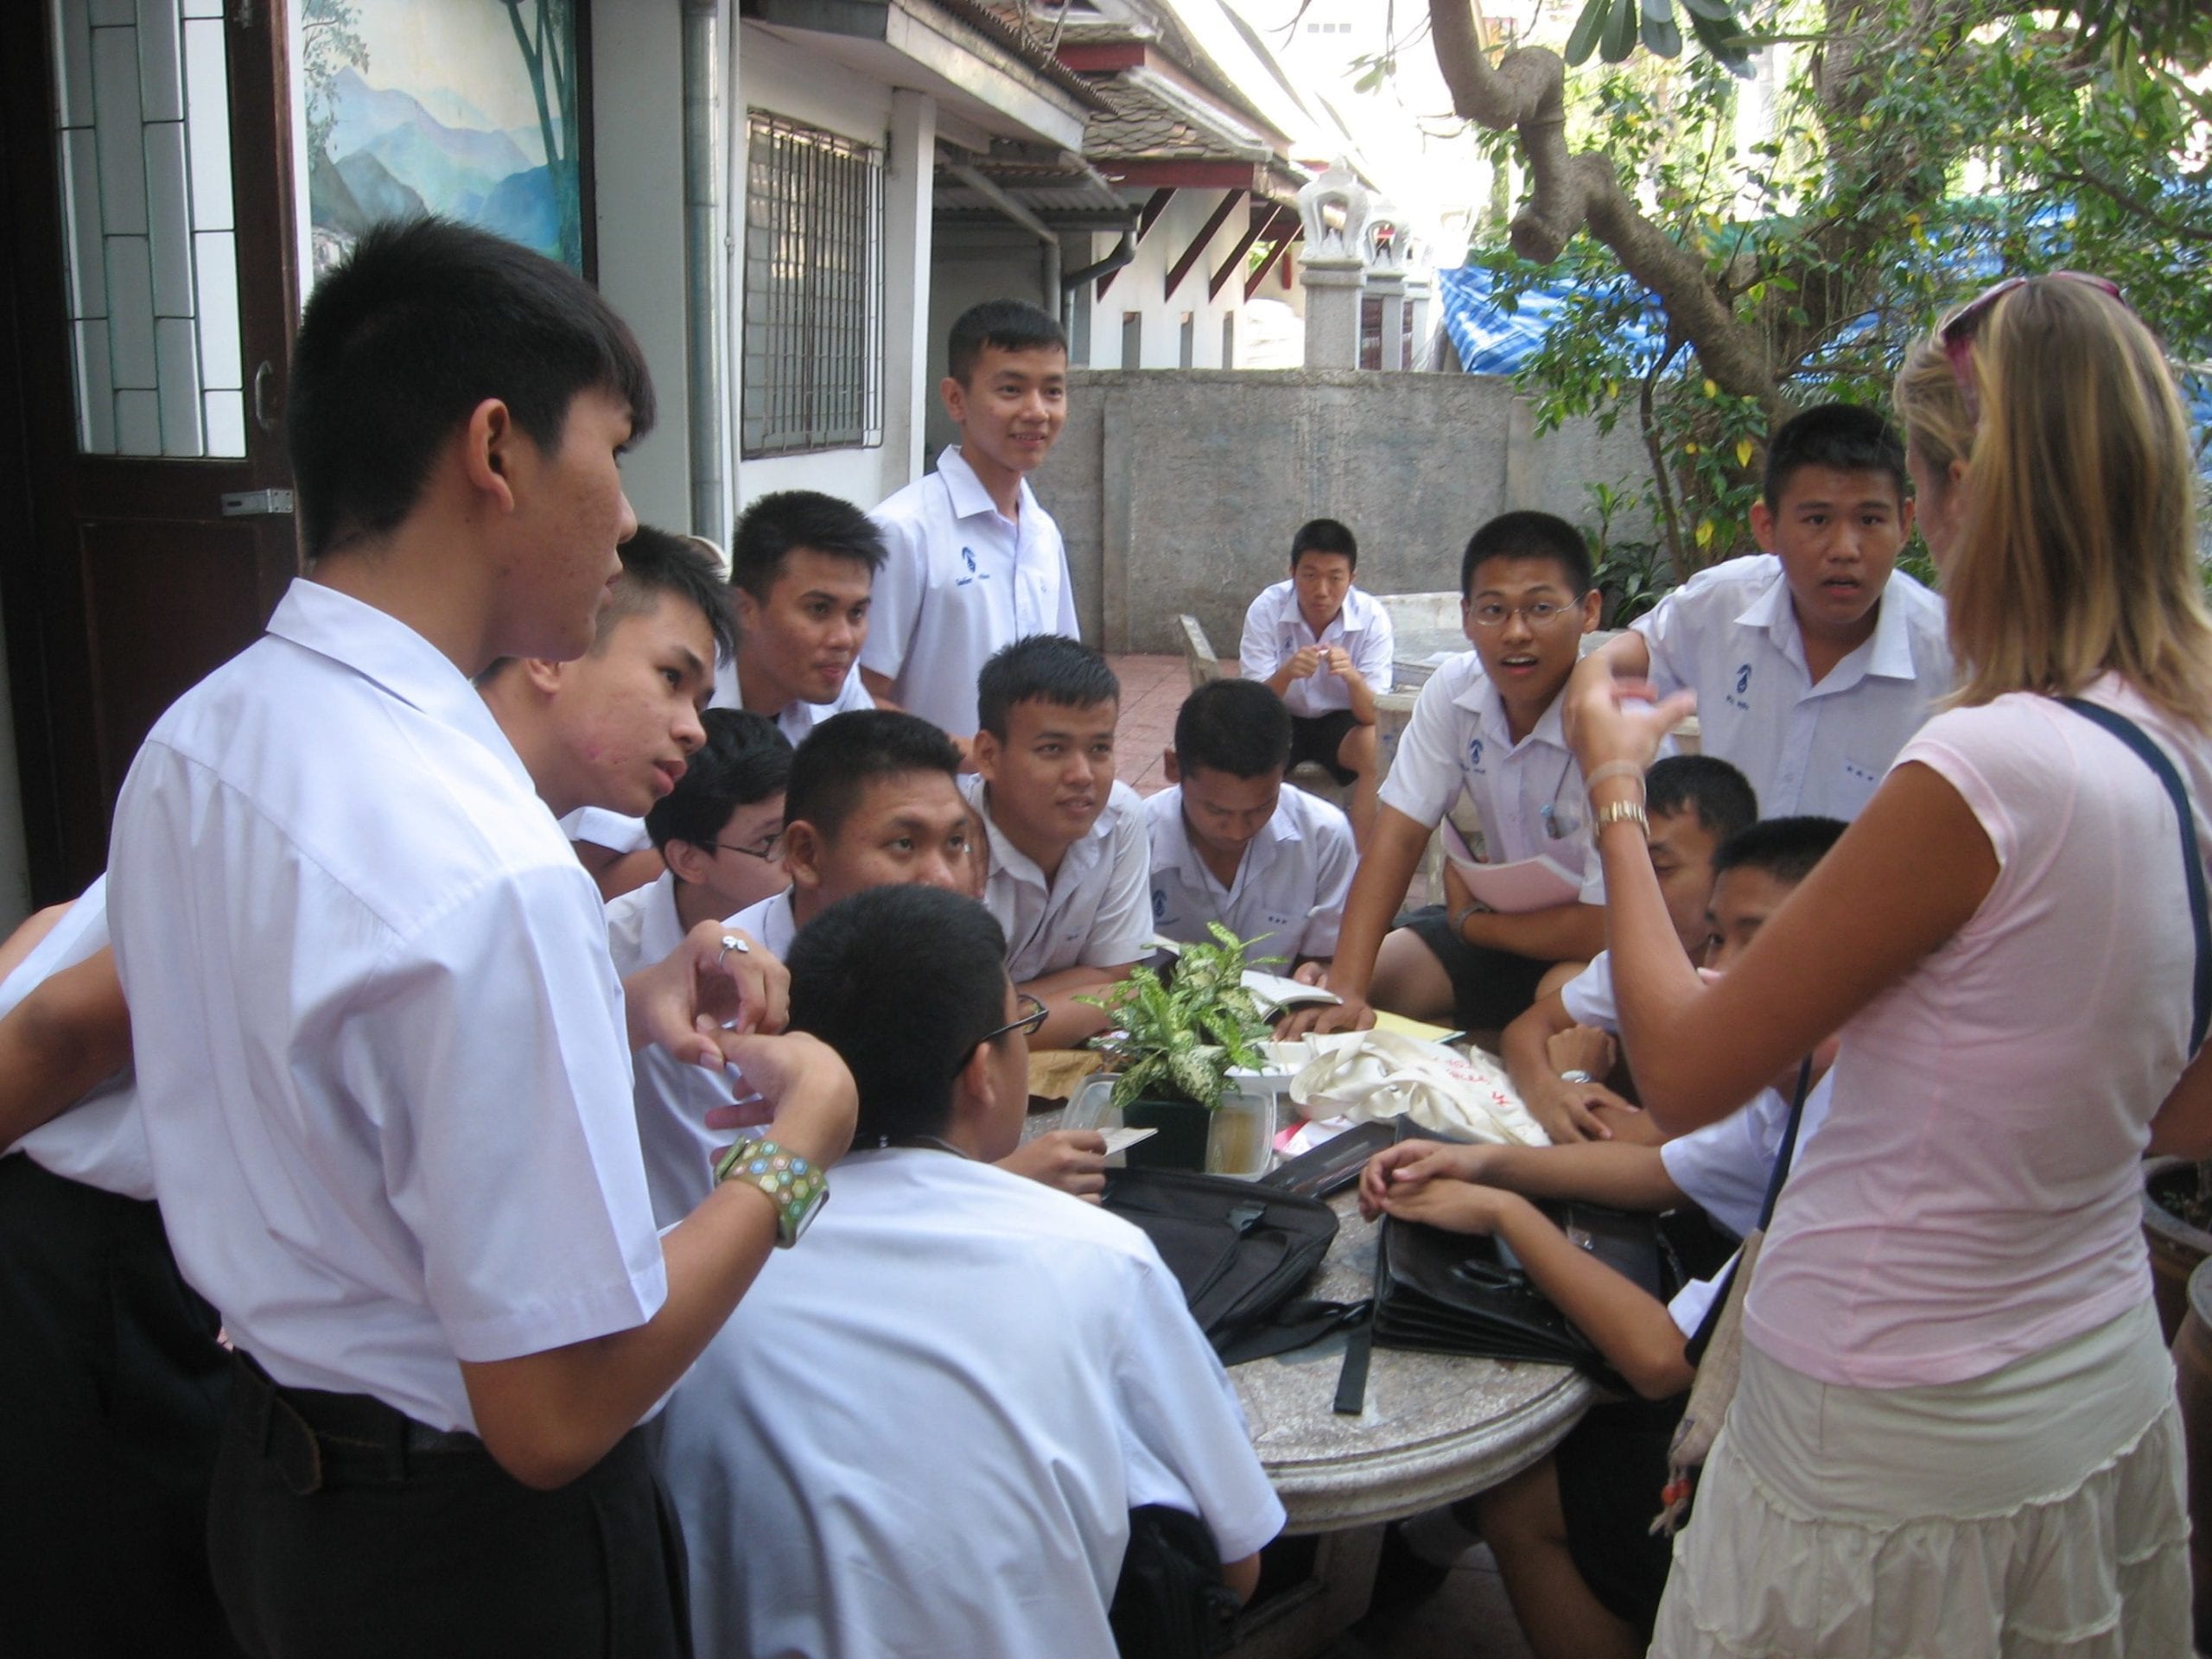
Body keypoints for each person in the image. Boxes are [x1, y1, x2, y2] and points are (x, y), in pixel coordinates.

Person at [104, 217, 858, 1658]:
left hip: (276, 1490)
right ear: (497, 450)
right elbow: (556, 1413)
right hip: (471, 1564)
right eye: (612, 449)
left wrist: (604, 997)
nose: (625, 516)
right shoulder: (483, 864)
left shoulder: (198, 742)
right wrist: (799, 1146)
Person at [1570, 275, 2207, 1656]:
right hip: (2092, 1368)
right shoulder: (2186, 735)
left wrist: (1618, 793)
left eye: (1903, 497)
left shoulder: (1989, 763)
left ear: (1960, 496)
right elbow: (2180, 1104)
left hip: (1890, 1418)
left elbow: (1682, 1064)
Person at [0, 510, 749, 1659]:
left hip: (252, 1354)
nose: (693, 729)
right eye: (671, 675)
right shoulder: (417, 833)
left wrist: (626, 1002)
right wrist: (794, 1161)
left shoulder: (439, 808)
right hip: (89, 1253)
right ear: (552, 648)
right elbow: (59, 1023)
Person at [658, 883, 1284, 1659]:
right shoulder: (1096, 1257)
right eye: (1024, 1024)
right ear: (983, 1071)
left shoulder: (682, 1277)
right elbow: (1239, 1558)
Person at [1358, 816, 1844, 1659]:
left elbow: (1660, 1359)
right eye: (1718, 939)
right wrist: (1480, 1165)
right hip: (1779, 1414)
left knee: (1521, 1486)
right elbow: (1660, 1172)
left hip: (1793, 1490)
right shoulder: (1793, 1076)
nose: (1717, 971)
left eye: (1755, 943)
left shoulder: (1846, 1130)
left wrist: (1504, 1213)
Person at [1281, 511, 1609, 1043]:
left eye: (1542, 608)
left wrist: (1474, 924)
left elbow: (1607, 925)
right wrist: (1347, 988)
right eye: (1494, 610)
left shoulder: (1613, 724)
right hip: (1489, 933)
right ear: (1466, 617)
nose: (1516, 632)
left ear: (1589, 611)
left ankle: (1500, 1070)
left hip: (1582, 952)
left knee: (1561, 1019)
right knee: (1363, 986)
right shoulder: (1455, 691)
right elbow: (1398, 837)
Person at [1575, 403, 1949, 821]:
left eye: (1870, 519)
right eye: (1817, 520)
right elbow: (1625, 656)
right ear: (1766, 526)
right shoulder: (1724, 602)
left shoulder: (1951, 661)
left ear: (1905, 522)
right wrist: (1591, 690)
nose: (1845, 549)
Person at [573, 496, 883, 898]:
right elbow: (592, 878)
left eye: (857, 613)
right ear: (743, 609)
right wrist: (733, 847)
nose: (844, 639)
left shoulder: (837, 684)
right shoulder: (665, 705)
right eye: (819, 609)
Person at [1499, 755, 1757, 1142]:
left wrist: (1577, 1080)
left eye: (1661, 868)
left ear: (1730, 869)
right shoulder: (1638, 958)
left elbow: (1669, 1148)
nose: (1634, 887)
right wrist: (1549, 1093)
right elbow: (1525, 1031)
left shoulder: (1751, 980)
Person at [861, 300, 1077, 745]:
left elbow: (1065, 676)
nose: (1037, 411)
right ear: (956, 399)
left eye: (1053, 391)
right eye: (1011, 390)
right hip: (935, 803)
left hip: (1026, 807)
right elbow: (860, 697)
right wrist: (971, 758)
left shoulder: (1042, 533)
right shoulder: (903, 531)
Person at [964, 634, 1150, 1047]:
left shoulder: (1120, 818)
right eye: (1052, 749)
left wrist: (995, 1026)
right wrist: (1080, 1003)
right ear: (989, 756)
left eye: (1100, 748)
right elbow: (939, 1026)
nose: (1083, 774)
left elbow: (1122, 981)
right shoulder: (946, 844)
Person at [1146, 677, 1357, 976]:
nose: (1237, 831)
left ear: (1284, 771)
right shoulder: (1137, 840)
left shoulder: (1324, 836)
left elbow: (1327, 957)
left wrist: (1318, 974)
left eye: (1260, 808)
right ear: (1173, 767)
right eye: (1216, 810)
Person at [1238, 518, 1395, 843]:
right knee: (1246, 746)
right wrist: (1287, 673)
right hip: (1278, 716)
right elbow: (1251, 706)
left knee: (1374, 747)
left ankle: (1359, 864)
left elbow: (1373, 715)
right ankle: (1253, 851)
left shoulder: (1371, 617)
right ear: (1292, 571)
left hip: (1340, 722)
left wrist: (1352, 678)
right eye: (1309, 576)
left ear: (1352, 578)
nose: (1321, 591)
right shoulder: (1266, 608)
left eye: (1335, 578)